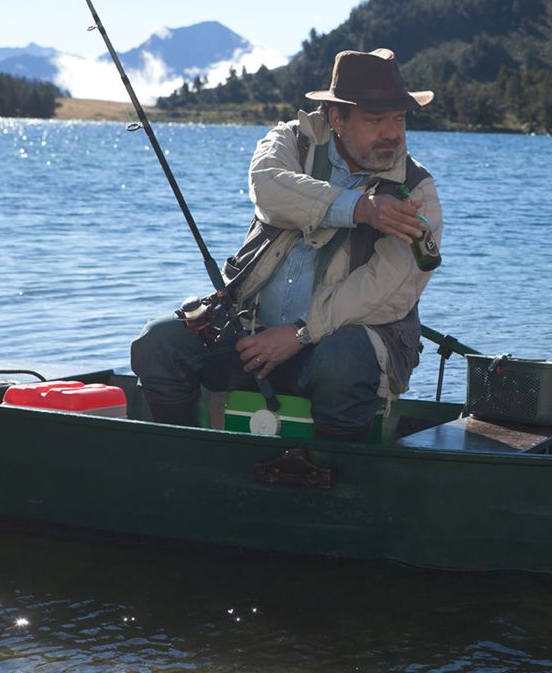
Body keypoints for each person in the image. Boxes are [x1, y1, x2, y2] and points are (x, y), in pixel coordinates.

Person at [131, 48, 442, 441]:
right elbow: (267, 187)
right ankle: (183, 461)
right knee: (158, 344)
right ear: (336, 118)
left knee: (342, 361)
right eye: (376, 119)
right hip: (250, 332)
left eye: (398, 118)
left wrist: (299, 334)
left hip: (330, 347)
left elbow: (389, 290)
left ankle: (335, 482)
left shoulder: (415, 190)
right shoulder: (292, 141)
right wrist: (359, 209)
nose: (393, 133)